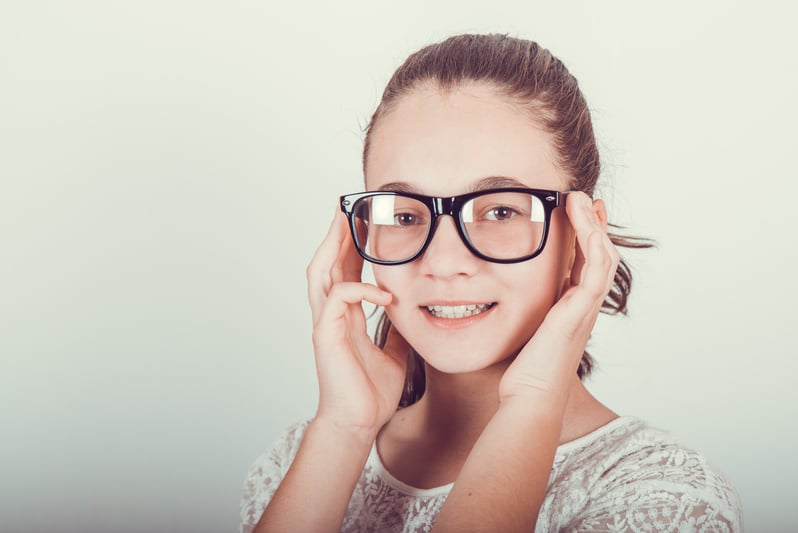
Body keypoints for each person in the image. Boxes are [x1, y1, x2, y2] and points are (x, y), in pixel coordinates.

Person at [240, 34, 743, 532]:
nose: (443, 261)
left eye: (500, 210)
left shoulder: (663, 495)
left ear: (581, 235)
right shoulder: (296, 464)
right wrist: (343, 429)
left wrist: (531, 400)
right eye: (406, 214)